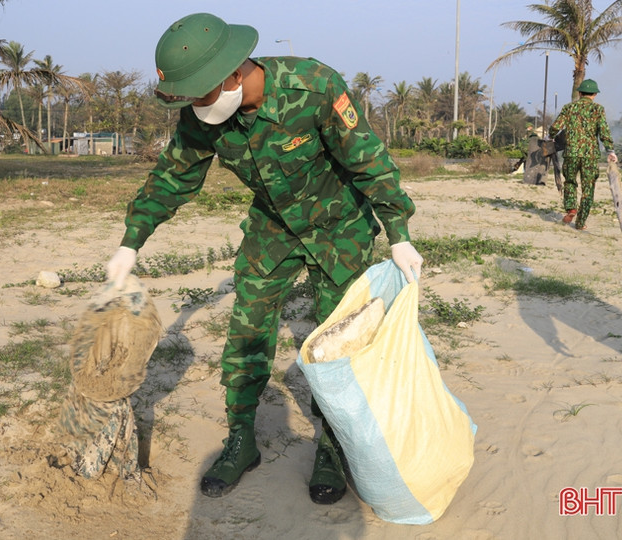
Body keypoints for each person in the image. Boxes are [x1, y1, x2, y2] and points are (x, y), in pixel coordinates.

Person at [106, 12, 423, 505]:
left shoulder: (314, 87)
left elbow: (367, 160)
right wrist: (131, 242)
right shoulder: (202, 116)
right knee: (247, 329)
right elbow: (172, 179)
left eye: (201, 92)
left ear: (234, 73)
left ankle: (334, 446)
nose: (196, 104)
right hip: (273, 225)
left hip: (339, 226)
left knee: (337, 342)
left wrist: (398, 232)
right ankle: (241, 439)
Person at [549, 79, 617, 231]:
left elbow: (555, 127)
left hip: (571, 153)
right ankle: (580, 222)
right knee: (588, 188)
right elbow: (604, 131)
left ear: (579, 93)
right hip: (590, 156)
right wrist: (610, 151)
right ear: (594, 94)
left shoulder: (569, 108)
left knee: (570, 182)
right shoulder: (598, 110)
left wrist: (551, 136)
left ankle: (571, 208)